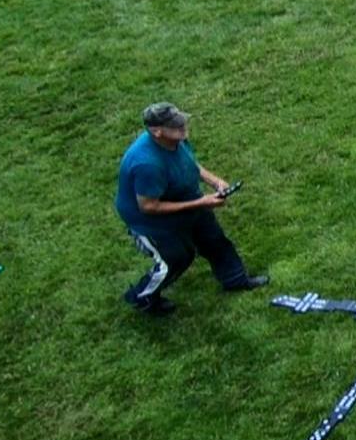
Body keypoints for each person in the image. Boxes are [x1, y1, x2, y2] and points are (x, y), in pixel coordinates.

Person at [115, 102, 269, 316]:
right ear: (156, 131)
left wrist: (214, 181)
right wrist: (201, 203)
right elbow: (149, 206)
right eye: (175, 124)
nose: (183, 125)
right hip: (152, 223)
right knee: (176, 258)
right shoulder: (146, 163)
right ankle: (143, 297)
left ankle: (235, 280)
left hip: (186, 198)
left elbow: (190, 164)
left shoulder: (177, 140)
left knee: (214, 240)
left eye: (181, 120)